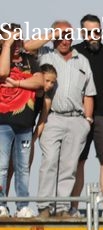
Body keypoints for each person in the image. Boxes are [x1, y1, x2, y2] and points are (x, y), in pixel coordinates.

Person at [35, 21, 95, 218]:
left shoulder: (82, 61)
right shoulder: (45, 54)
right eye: (61, 35)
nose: (65, 40)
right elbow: (27, 46)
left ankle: (62, 208)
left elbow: (89, 93)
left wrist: (87, 120)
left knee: (69, 167)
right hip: (52, 118)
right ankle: (44, 207)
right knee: (49, 162)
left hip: (77, 120)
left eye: (69, 35)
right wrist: (52, 33)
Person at [71, 15, 103, 218]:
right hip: (80, 117)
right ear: (83, 33)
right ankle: (74, 208)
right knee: (77, 161)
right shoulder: (73, 53)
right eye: (90, 32)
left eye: (98, 31)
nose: (94, 36)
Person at [0, 23, 44, 218]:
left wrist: (18, 82)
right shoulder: (2, 55)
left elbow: (39, 81)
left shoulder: (28, 58)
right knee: (1, 165)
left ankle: (23, 206)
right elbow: (2, 73)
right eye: (11, 38)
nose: (16, 42)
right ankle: (1, 205)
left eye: (18, 38)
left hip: (26, 123)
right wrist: (7, 46)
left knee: (23, 167)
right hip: (3, 122)